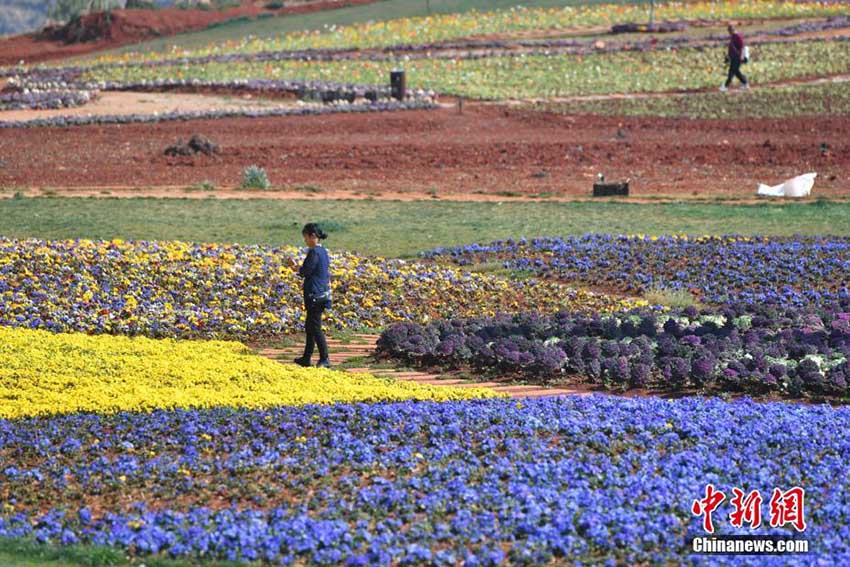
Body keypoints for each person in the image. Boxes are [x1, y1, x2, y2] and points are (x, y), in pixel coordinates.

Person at [290, 223, 332, 368]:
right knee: (310, 327)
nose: (305, 241)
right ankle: (306, 357)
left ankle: (325, 358)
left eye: (306, 237)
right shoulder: (323, 251)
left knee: (315, 327)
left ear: (313, 236)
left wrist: (295, 266)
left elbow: (306, 272)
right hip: (321, 292)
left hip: (315, 294)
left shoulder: (314, 252)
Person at [721, 24, 748, 92]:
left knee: (732, 72)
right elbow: (731, 48)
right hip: (733, 57)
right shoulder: (733, 36)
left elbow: (741, 47)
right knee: (736, 72)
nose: (729, 32)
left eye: (730, 31)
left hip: (737, 57)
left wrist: (741, 56)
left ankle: (725, 86)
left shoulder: (738, 36)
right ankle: (745, 83)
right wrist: (728, 56)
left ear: (732, 30)